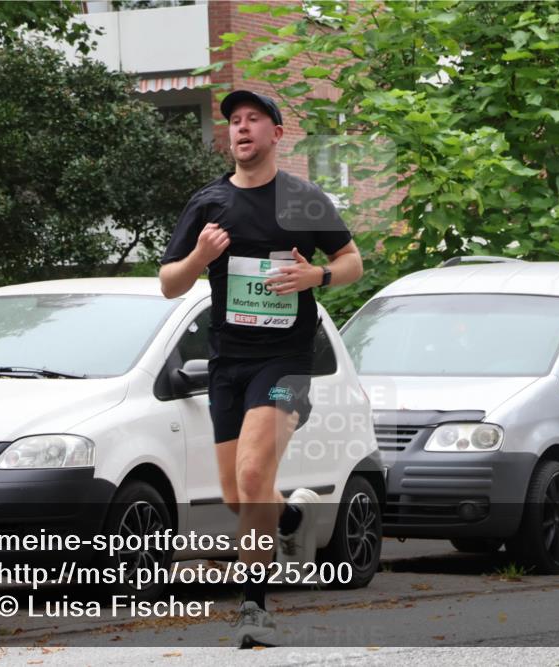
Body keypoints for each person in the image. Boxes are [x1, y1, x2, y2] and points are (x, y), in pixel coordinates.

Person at [159, 90, 363, 647]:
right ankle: (290, 522)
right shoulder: (209, 204)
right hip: (228, 363)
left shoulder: (302, 199)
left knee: (253, 477)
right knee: (237, 495)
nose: (241, 128)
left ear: (276, 134)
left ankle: (254, 609)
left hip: (287, 361)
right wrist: (200, 257)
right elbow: (169, 283)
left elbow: (352, 262)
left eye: (254, 120)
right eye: (234, 122)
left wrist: (315, 278)